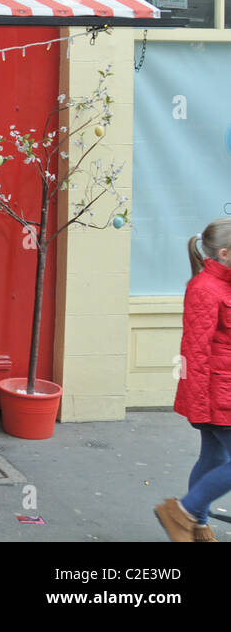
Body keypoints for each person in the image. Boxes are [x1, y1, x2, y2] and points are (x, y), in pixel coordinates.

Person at [154, 218, 231, 542]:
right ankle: (182, 512)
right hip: (217, 395)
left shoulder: (225, 284)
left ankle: (197, 526)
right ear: (225, 253)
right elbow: (194, 351)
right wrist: (199, 405)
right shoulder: (204, 289)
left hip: (223, 389)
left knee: (214, 457)